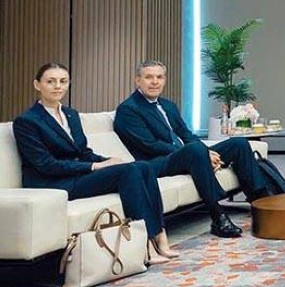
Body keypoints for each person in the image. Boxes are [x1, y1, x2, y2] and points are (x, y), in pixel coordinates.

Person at [14, 63, 177, 264]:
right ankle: (146, 245)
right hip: (53, 183)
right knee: (129, 172)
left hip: (77, 176)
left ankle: (160, 235)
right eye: (50, 81)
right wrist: (93, 167)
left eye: (63, 81)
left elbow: (83, 152)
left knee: (142, 166)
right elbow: (46, 165)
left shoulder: (71, 114)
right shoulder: (27, 121)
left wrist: (106, 161)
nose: (57, 86)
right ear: (37, 84)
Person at [114, 60, 265, 238]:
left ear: (164, 80)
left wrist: (205, 152)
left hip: (185, 155)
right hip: (154, 163)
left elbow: (186, 134)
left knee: (238, 144)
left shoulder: (168, 105)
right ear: (137, 80)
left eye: (159, 77)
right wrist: (197, 153)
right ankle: (218, 217)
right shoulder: (128, 109)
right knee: (194, 151)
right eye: (149, 77)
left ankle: (260, 202)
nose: (155, 82)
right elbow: (150, 145)